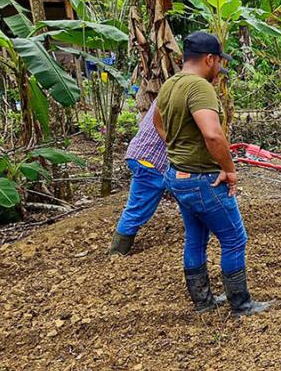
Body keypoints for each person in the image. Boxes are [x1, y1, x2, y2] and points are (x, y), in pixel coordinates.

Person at [154, 31, 272, 317]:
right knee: (234, 239)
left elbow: (157, 121)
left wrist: (178, 146)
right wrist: (229, 169)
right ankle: (241, 304)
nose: (220, 68)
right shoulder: (199, 87)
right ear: (209, 59)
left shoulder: (170, 84)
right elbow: (213, 135)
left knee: (196, 237)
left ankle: (203, 301)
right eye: (219, 62)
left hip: (177, 176)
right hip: (203, 179)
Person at [108, 102, 168, 255]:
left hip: (141, 154)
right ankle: (117, 253)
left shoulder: (170, 90)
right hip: (151, 160)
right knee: (138, 207)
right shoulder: (186, 94)